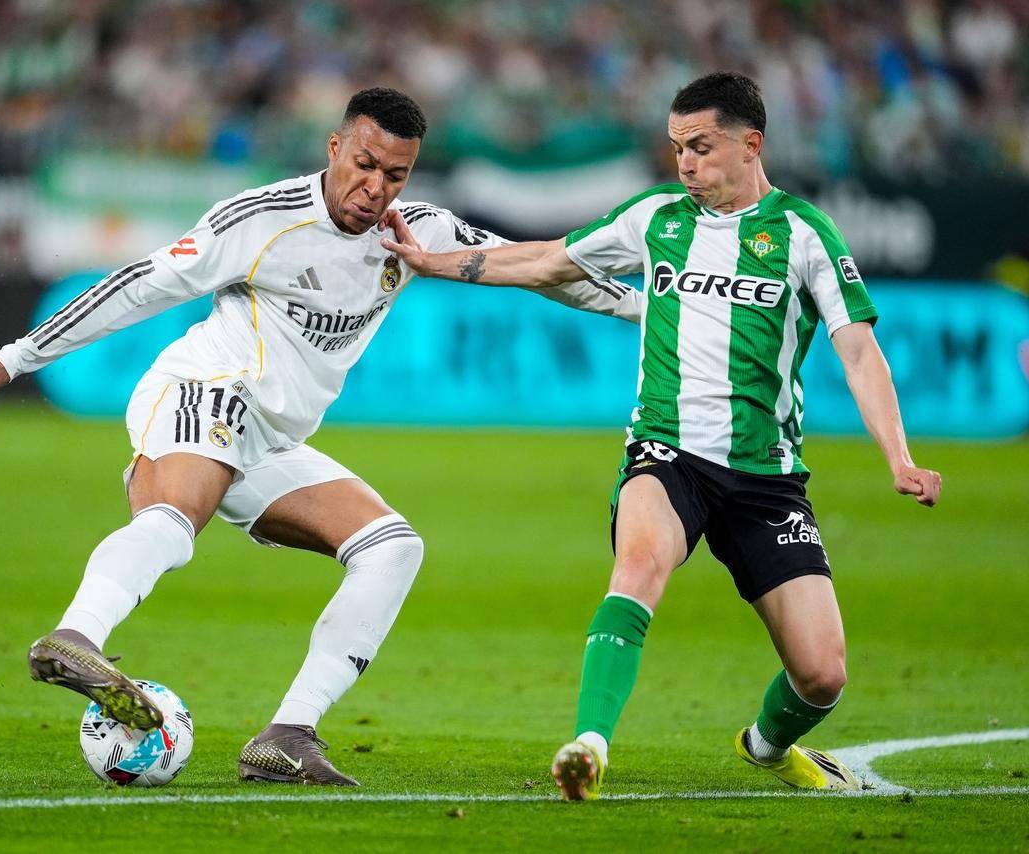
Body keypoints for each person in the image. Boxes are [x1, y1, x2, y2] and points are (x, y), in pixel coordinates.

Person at [0, 87, 641, 787]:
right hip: (203, 389)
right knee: (174, 521)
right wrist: (16, 356)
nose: (376, 188)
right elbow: (140, 285)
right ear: (334, 148)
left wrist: (647, 307)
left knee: (392, 549)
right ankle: (75, 637)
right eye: (365, 165)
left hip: (268, 441)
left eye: (395, 174)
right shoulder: (261, 219)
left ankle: (287, 734)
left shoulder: (417, 231)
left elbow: (538, 268)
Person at [380, 71, 942, 800]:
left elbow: (859, 351)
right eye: (677, 148)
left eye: (701, 147)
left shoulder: (804, 234)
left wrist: (899, 457)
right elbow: (546, 259)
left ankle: (766, 746)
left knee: (822, 675)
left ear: (751, 144)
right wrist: (432, 264)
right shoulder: (657, 219)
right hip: (667, 451)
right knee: (640, 565)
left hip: (766, 478)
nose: (685, 164)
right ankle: (588, 747)